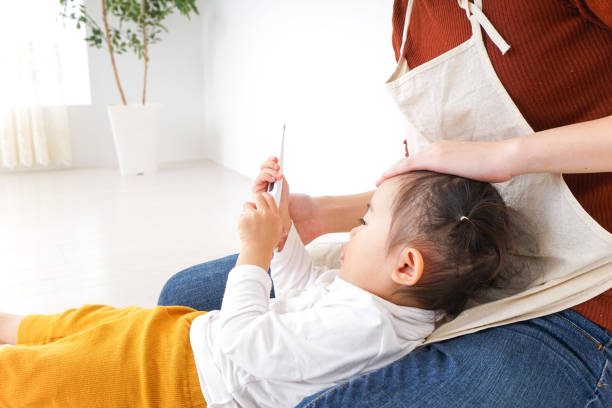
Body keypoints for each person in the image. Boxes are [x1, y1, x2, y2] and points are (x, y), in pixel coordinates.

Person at [158, 1, 612, 407]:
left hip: (588, 296)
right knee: (184, 296)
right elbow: (426, 202)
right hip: (459, 266)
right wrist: (323, 214)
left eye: (364, 223)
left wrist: (506, 156)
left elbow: (247, 341)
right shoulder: (410, 17)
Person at [0, 160, 516, 407]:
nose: (351, 232)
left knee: (43, 379)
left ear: (405, 265)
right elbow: (299, 292)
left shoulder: (367, 328)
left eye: (363, 223)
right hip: (179, 345)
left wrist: (251, 251)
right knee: (90, 325)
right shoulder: (386, 302)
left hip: (175, 384)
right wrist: (282, 234)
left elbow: (242, 340)